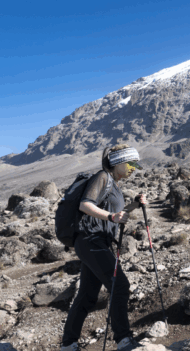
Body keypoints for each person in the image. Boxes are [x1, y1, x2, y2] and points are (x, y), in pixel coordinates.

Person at [61, 145, 146, 351]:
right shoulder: (102, 177)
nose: (133, 168)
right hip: (91, 241)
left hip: (98, 243)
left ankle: (68, 345)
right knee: (120, 286)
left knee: (87, 295)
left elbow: (117, 213)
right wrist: (110, 217)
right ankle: (123, 340)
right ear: (118, 163)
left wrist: (134, 204)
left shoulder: (114, 185)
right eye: (131, 164)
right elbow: (85, 204)